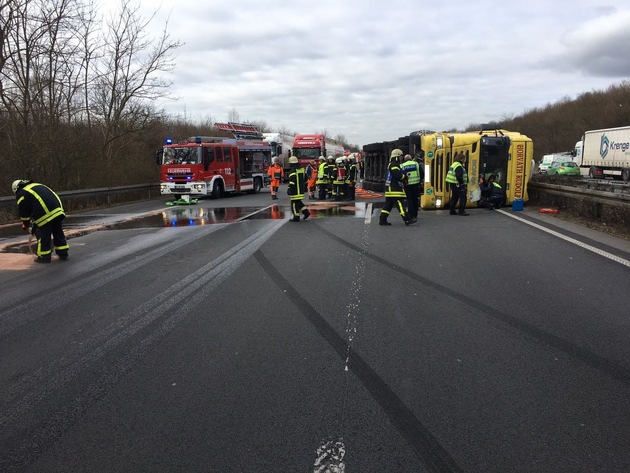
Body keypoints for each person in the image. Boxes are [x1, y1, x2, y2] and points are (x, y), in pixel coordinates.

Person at [12, 179, 69, 263]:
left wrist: (25, 224)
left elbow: (24, 211)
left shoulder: (22, 193)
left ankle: (44, 257)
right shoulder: (38, 185)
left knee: (43, 235)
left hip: (45, 213)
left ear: (16, 189)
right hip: (58, 210)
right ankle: (63, 253)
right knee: (58, 232)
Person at [379, 149, 410, 226]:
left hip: (390, 189)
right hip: (394, 189)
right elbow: (397, 175)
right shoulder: (394, 164)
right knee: (400, 204)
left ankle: (382, 220)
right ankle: (407, 219)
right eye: (400, 156)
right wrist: (404, 177)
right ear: (397, 156)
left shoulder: (391, 164)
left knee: (388, 206)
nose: (401, 158)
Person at [287, 156, 310, 222]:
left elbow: (292, 181)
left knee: (294, 204)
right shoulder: (302, 169)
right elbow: (305, 178)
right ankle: (306, 212)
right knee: (299, 203)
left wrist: (289, 189)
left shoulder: (292, 171)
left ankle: (296, 217)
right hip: (301, 190)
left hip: (295, 190)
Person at [401, 153, 421, 223]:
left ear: (405, 159)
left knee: (409, 200)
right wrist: (420, 181)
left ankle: (410, 215)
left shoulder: (402, 165)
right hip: (416, 184)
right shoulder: (416, 164)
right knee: (415, 199)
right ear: (411, 158)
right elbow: (422, 173)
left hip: (407, 185)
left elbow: (401, 176)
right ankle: (415, 215)